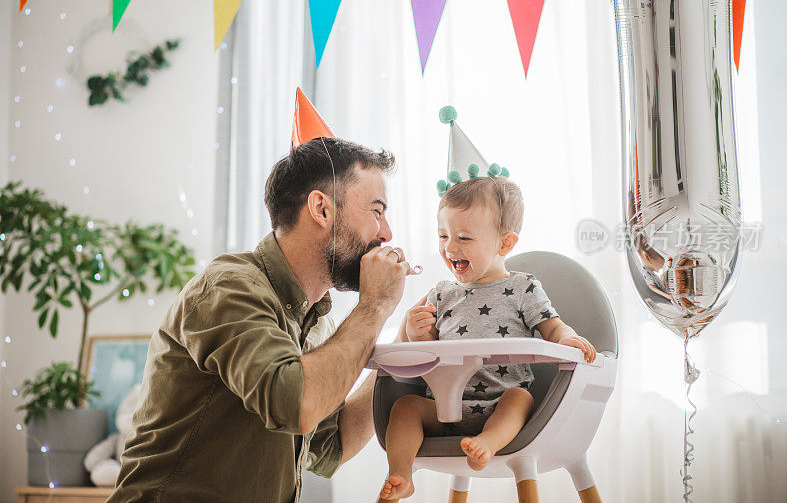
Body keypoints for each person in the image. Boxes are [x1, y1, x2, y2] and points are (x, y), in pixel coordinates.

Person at [109, 138, 413, 503]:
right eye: (377, 211)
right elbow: (298, 404)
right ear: (321, 209)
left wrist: (404, 341)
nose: (387, 234)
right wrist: (374, 307)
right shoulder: (229, 288)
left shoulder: (316, 321)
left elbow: (332, 446)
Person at [379, 176, 597, 500]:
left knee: (521, 400)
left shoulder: (524, 288)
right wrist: (414, 333)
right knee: (405, 407)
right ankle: (400, 471)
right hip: (443, 407)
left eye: (464, 237)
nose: (449, 248)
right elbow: (412, 353)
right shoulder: (439, 294)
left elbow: (553, 327)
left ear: (504, 243)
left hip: (500, 404)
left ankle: (488, 442)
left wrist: (568, 339)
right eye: (443, 236)